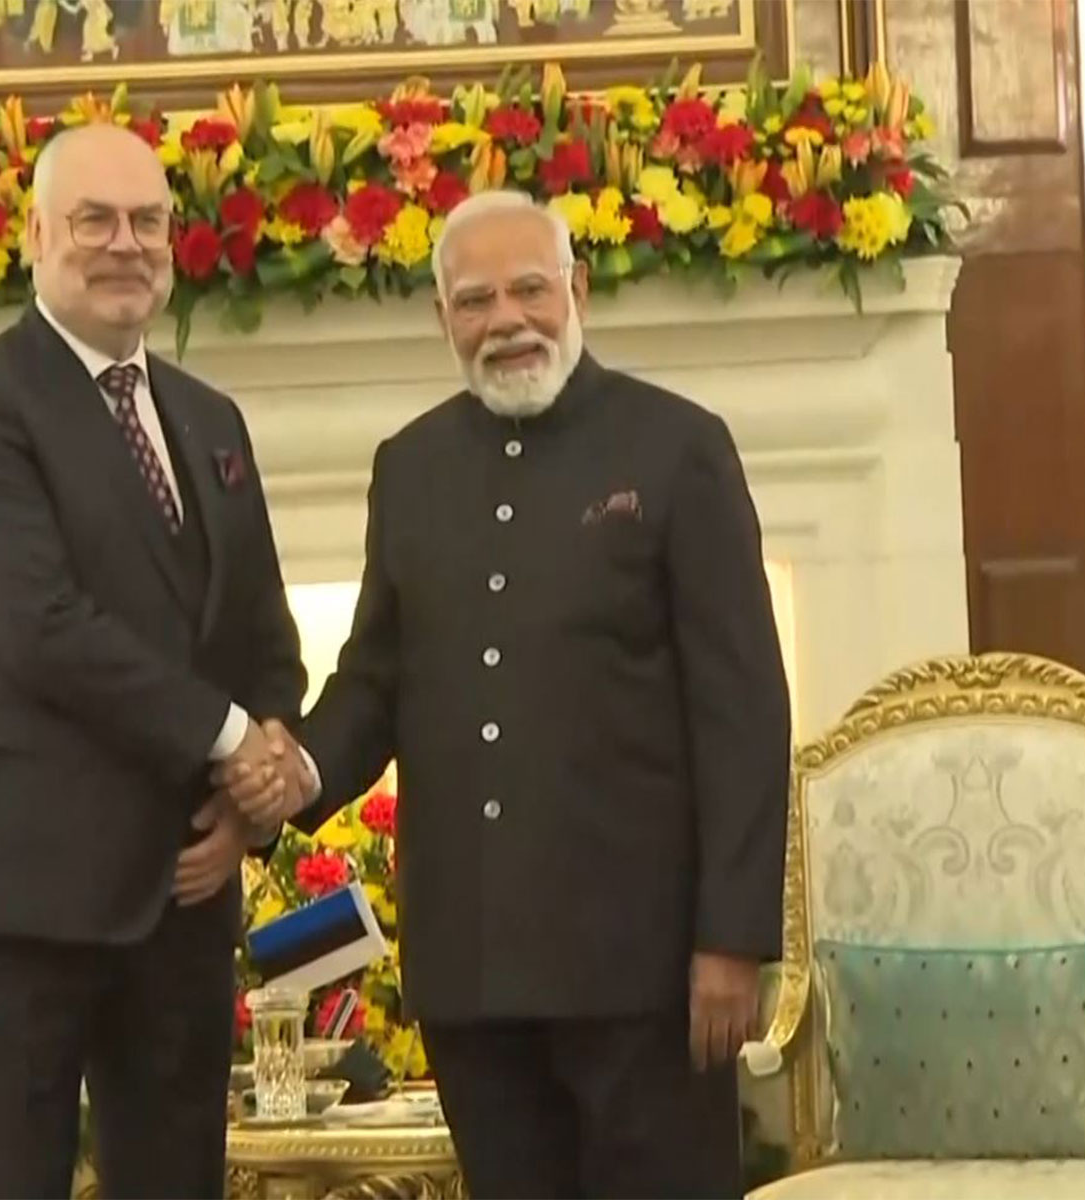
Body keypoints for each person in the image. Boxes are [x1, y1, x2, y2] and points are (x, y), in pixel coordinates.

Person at [225, 190, 791, 1199]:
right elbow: (376, 679)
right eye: (475, 299)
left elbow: (743, 713)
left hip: (647, 969)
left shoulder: (677, 448)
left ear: (576, 289)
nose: (506, 319)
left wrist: (733, 938)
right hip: (471, 969)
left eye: (529, 288)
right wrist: (298, 768)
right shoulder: (410, 467)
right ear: (442, 318)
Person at [0, 121, 308, 1198]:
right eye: (93, 220)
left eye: (147, 221)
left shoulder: (208, 417)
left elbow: (262, 640)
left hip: (181, 895)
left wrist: (261, 784)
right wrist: (228, 739)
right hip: (16, 905)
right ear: (36, 234)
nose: (123, 243)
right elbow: (44, 627)